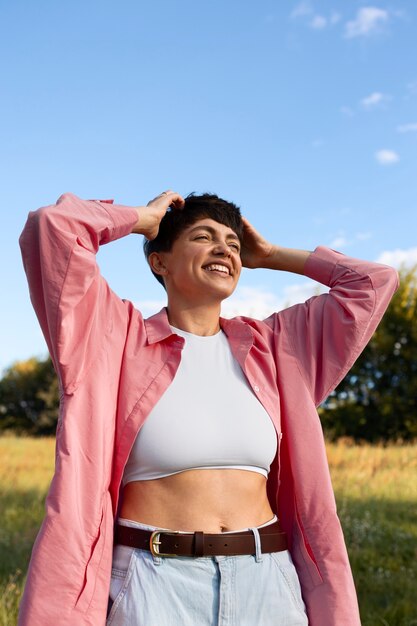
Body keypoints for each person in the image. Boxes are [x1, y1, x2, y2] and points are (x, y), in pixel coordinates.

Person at [18, 190, 398, 626]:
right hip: (153, 583)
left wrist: (271, 254)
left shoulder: (277, 348)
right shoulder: (110, 338)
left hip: (266, 581)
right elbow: (54, 227)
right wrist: (142, 218)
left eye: (233, 243)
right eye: (204, 236)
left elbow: (373, 283)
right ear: (159, 262)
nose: (224, 249)